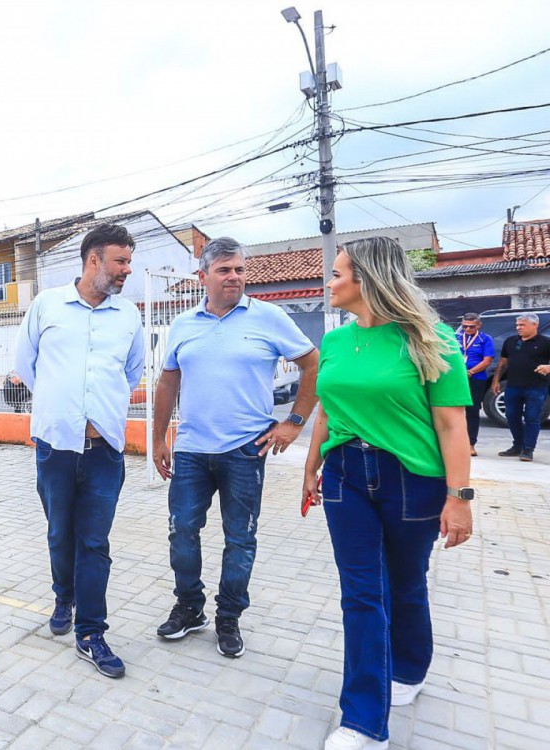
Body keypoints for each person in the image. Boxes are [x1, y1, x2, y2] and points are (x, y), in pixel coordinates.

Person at [302, 237, 473, 750]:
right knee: (362, 594)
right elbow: (327, 412)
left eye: (336, 274)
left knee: (405, 583)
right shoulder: (335, 343)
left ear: (367, 278)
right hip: (344, 475)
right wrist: (311, 469)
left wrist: (459, 496)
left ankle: (410, 667)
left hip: (411, 480)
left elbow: (451, 426)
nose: (329, 283)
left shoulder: (430, 339)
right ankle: (362, 721)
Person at [151, 237, 319, 659]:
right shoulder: (184, 324)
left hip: (246, 449)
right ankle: (190, 608)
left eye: (240, 269)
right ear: (203, 275)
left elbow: (313, 364)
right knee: (182, 531)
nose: (234, 277)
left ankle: (229, 616)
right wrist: (157, 438)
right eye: (224, 270)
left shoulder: (270, 317)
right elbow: (169, 380)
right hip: (190, 449)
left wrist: (295, 421)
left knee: (239, 538)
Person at [14, 223, 146, 679]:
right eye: (120, 261)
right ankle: (62, 596)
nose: (127, 270)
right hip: (55, 447)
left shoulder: (128, 315)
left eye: (128, 261)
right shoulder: (47, 305)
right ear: (94, 261)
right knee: (59, 533)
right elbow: (25, 366)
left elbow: (132, 374)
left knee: (95, 542)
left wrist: (96, 412)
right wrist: (59, 407)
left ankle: (91, 633)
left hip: (104, 450)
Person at [491, 313, 550, 461]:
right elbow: (502, 363)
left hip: (536, 387)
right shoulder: (510, 341)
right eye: (517, 325)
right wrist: (495, 380)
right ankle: (517, 446)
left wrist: (548, 367)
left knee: (532, 418)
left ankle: (528, 449)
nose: (518, 328)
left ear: (534, 325)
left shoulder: (545, 342)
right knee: (511, 417)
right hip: (513, 386)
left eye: (522, 325)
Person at [456, 313, 494, 456]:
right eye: (465, 326)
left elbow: (487, 360)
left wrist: (470, 372)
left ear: (479, 325)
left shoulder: (485, 339)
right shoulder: (456, 337)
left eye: (471, 327)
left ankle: (471, 444)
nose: (467, 329)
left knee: (472, 411)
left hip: (475, 378)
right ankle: (455, 443)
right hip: (457, 378)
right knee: (454, 410)